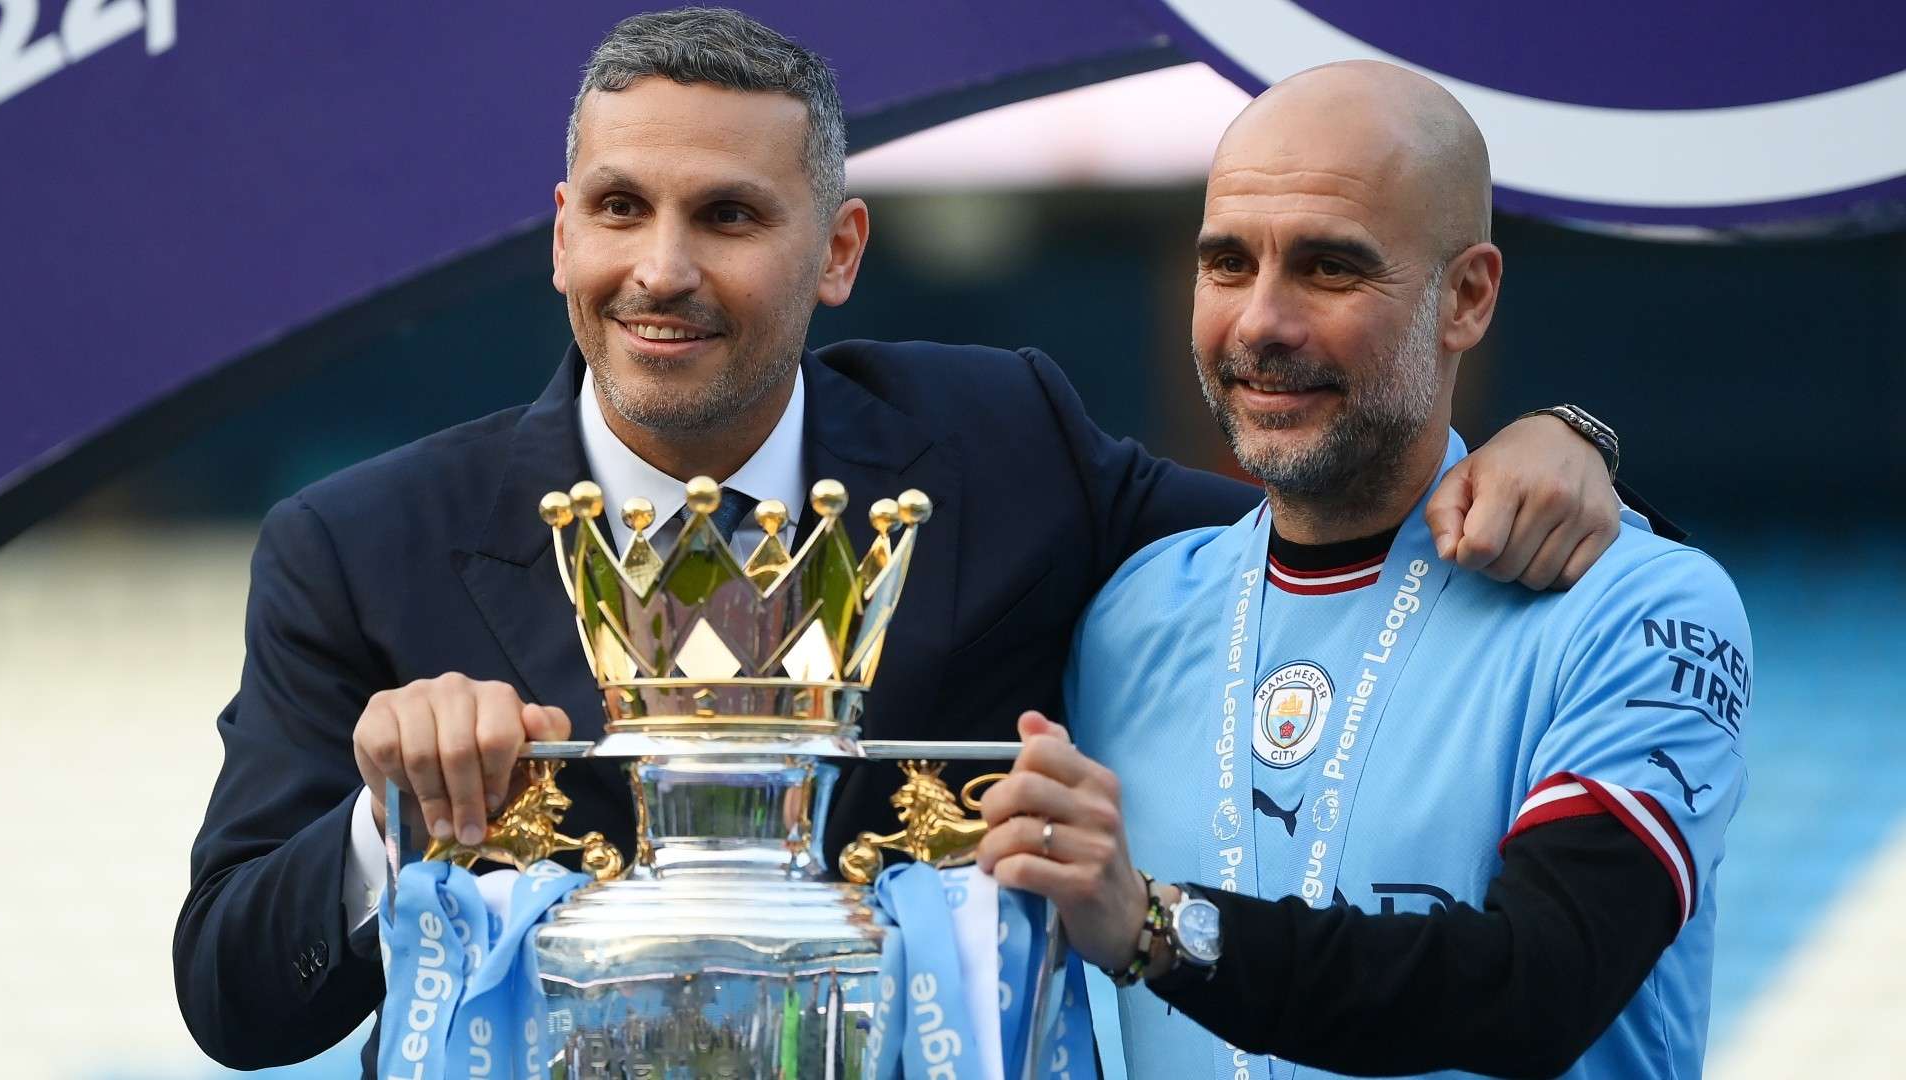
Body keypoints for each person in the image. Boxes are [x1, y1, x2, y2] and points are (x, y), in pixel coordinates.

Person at [174, 10, 1661, 1072]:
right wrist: (386, 828)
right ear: (562, 233)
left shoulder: (1002, 441)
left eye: (732, 214)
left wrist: (1564, 444)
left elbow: (1321, 522)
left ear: (838, 252)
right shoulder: (359, 546)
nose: (664, 269)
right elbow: (235, 999)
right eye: (621, 208)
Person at [975, 60, 1749, 1080]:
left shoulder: (1635, 606)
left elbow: (1536, 988)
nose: (1261, 322)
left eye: (1330, 267)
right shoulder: (1124, 616)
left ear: (1466, 297)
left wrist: (1160, 927)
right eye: (1226, 264)